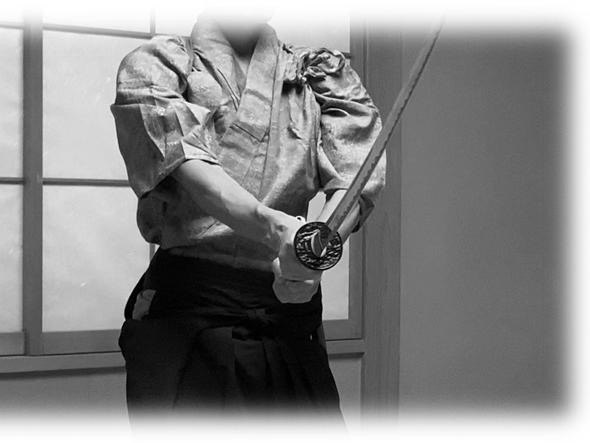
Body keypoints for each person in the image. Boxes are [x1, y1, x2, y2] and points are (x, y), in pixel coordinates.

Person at [111, 7, 385, 422]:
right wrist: (276, 229)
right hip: (191, 312)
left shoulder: (322, 75)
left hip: (287, 311)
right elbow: (184, 161)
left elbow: (357, 175)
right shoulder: (159, 64)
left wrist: (312, 251)